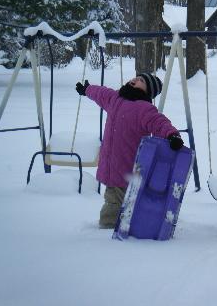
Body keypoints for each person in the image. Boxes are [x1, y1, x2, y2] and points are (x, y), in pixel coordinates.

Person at [75, 73, 184, 229]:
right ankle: (125, 227)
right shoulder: (115, 98)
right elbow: (100, 93)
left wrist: (172, 135)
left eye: (141, 81)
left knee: (114, 205)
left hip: (128, 169)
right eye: (136, 77)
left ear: (148, 91)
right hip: (111, 167)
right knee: (119, 201)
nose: (135, 80)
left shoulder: (144, 109)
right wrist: (87, 89)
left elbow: (160, 123)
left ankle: (107, 233)